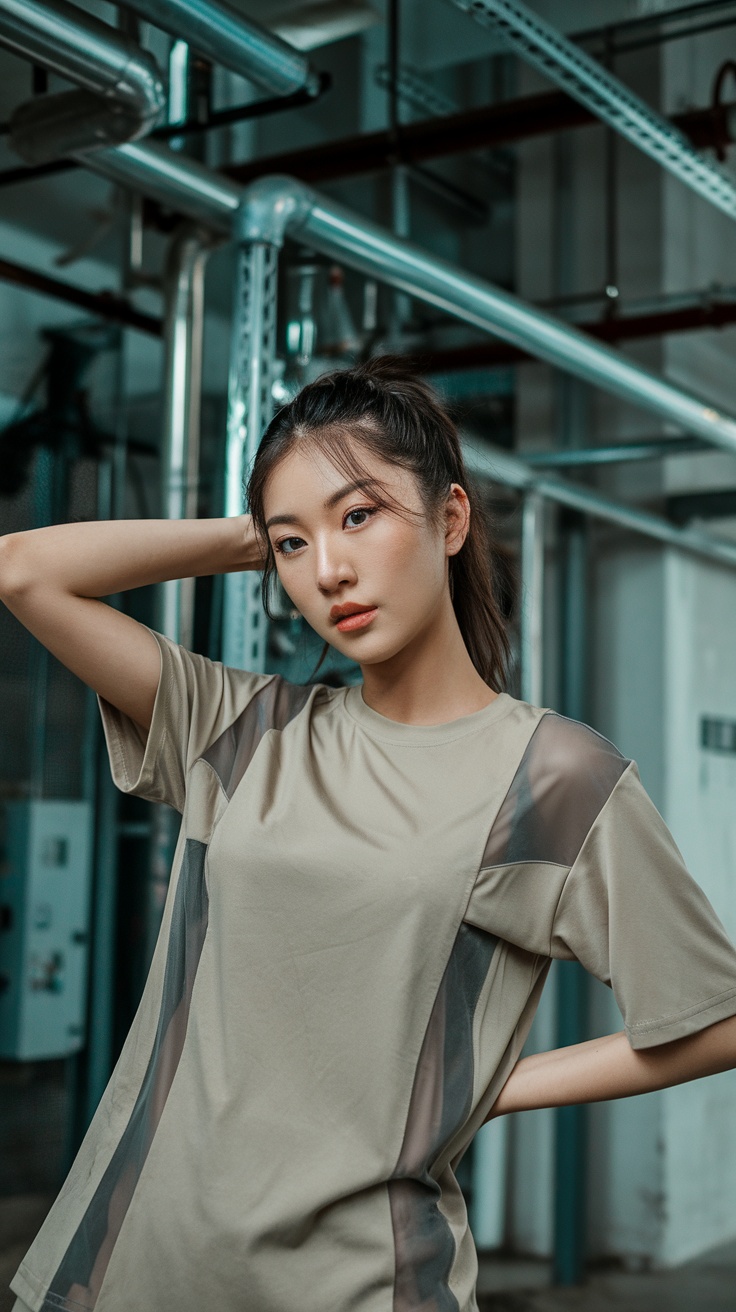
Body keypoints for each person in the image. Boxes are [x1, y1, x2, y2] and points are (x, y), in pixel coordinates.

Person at [2, 356, 736, 1312]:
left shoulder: (553, 780)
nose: (330, 571)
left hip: (361, 1284)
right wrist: (256, 532)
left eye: (360, 516)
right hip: (138, 1259)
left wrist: (498, 1085)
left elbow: (715, 1019)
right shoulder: (246, 730)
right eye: (295, 546)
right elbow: (25, 572)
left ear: (452, 518)